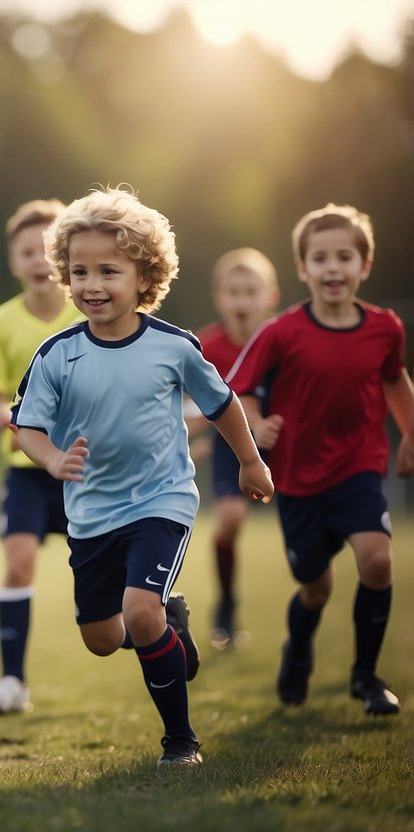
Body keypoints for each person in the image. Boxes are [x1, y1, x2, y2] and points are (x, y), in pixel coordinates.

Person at [11, 187, 273, 768]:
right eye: (79, 271)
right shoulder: (55, 355)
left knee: (138, 610)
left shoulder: (174, 348)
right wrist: (53, 460)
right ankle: (168, 624)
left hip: (162, 501)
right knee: (103, 639)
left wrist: (251, 461)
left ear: (144, 274)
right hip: (90, 514)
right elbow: (25, 427)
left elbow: (222, 404)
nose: (92, 284)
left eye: (109, 270)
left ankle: (180, 741)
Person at [226, 203, 414, 716]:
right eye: (321, 258)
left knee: (377, 559)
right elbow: (237, 392)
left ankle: (366, 676)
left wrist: (410, 431)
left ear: (364, 265)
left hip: (359, 467)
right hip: (298, 480)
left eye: (345, 257)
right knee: (315, 588)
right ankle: (299, 651)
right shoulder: (280, 332)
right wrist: (257, 423)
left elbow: (395, 379)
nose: (333, 268)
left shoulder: (385, 328)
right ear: (303, 268)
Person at [0, 198, 84, 716]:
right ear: (14, 261)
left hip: (85, 471)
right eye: (26, 251)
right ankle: (12, 681)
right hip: (25, 470)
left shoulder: (89, 313)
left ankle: (161, 618)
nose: (38, 260)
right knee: (18, 565)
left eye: (47, 249)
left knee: (103, 579)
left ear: (63, 255)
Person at [188, 248, 280, 649]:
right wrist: (187, 440)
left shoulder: (282, 339)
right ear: (219, 297)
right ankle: (225, 605)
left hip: (283, 439)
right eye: (233, 292)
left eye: (251, 291)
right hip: (231, 448)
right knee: (229, 519)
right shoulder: (205, 346)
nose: (242, 301)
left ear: (270, 296)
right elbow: (194, 408)